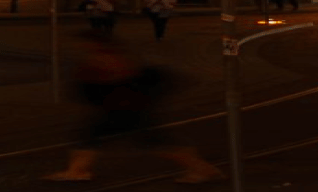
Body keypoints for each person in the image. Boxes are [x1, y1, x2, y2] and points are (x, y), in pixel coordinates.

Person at [44, 31, 224, 184]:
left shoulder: (107, 57)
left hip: (126, 109)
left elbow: (117, 80)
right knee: (89, 137)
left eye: (83, 44)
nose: (79, 48)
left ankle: (203, 169)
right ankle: (77, 171)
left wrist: (92, 83)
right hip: (117, 109)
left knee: (158, 142)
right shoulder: (105, 56)